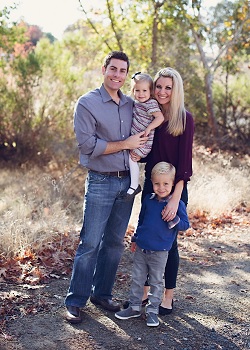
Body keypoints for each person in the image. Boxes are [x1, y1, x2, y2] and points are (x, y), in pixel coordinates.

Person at [65, 51, 148, 324]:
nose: (117, 75)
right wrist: (126, 144)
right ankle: (75, 301)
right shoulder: (87, 103)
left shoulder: (130, 103)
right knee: (90, 243)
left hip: (127, 181)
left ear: (127, 75)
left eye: (123, 71)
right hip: (100, 181)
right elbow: (88, 146)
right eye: (113, 69)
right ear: (104, 69)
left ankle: (101, 294)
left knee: (113, 243)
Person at [131, 67, 194, 315]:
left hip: (174, 190)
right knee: (146, 239)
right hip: (151, 187)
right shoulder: (149, 114)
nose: (162, 91)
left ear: (175, 90)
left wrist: (173, 200)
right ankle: (145, 295)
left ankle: (167, 297)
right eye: (159, 86)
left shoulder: (184, 118)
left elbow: (185, 164)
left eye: (168, 87)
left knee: (169, 245)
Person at [115, 162, 190, 327]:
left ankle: (152, 312)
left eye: (166, 184)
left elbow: (185, 225)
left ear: (172, 184)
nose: (161, 187)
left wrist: (173, 219)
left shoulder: (176, 206)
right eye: (157, 183)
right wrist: (135, 238)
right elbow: (141, 221)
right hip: (142, 248)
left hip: (161, 251)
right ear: (152, 182)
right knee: (138, 279)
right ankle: (134, 307)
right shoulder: (148, 201)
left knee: (156, 281)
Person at [126, 72, 164, 196]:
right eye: (137, 90)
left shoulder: (150, 103)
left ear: (150, 91)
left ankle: (134, 184)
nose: (141, 94)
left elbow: (160, 118)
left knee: (132, 159)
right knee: (129, 158)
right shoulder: (136, 103)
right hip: (136, 140)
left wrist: (149, 128)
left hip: (144, 141)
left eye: (144, 90)